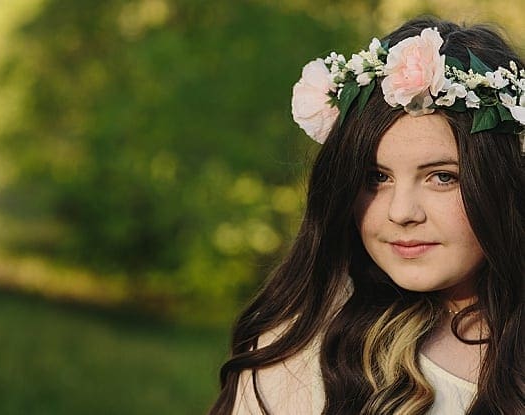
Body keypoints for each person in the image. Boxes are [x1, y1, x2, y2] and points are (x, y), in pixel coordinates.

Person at [208, 17, 525, 414]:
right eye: (376, 177)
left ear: (506, 181)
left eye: (442, 177)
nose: (401, 212)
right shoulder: (301, 355)